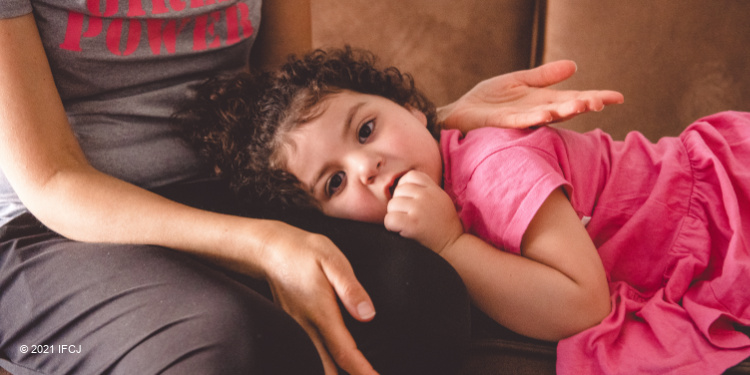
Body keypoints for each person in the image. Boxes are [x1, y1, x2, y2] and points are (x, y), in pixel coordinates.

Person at [0, 1, 623, 372]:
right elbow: (52, 180)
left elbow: (287, 102)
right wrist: (263, 245)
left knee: (419, 299)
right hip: (53, 227)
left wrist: (431, 123)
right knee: (214, 344)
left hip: (231, 188)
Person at [180, 47, 750, 375]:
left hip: (729, 204)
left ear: (412, 107)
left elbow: (583, 305)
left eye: (367, 128)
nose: (367, 167)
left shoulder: (495, 166)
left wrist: (451, 246)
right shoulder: (433, 182)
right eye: (334, 182)